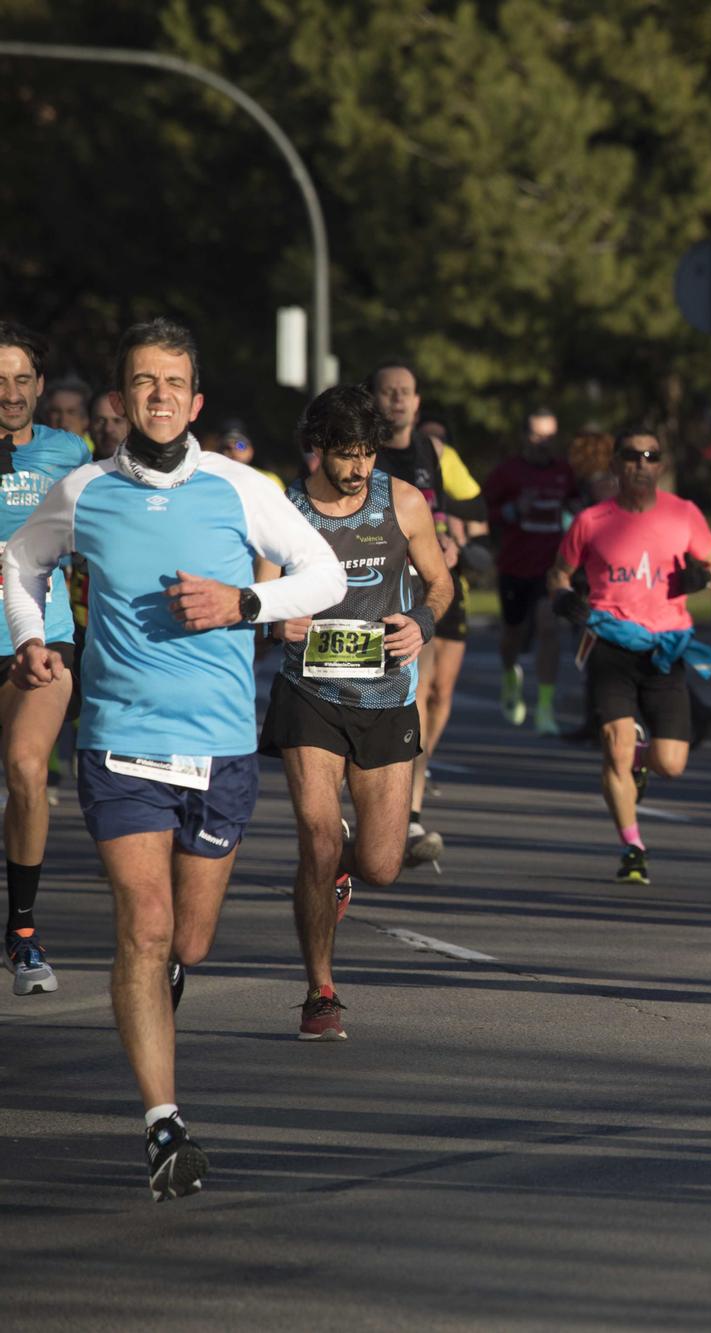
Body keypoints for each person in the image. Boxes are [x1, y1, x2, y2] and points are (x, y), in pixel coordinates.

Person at [4, 317, 344, 1200]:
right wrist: (34, 636)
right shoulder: (82, 490)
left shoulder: (243, 488)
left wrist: (247, 600)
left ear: (195, 400)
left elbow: (326, 574)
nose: (158, 397)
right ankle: (164, 1123)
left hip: (222, 745)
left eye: (174, 384)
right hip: (118, 741)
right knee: (144, 926)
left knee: (187, 938)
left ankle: (159, 985)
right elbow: (21, 560)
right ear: (123, 399)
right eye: (142, 383)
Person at [261, 385, 452, 1040]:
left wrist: (422, 622)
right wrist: (276, 620)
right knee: (315, 835)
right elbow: (260, 593)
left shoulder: (402, 500)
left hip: (386, 694)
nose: (357, 469)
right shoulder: (284, 510)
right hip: (309, 691)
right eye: (345, 455)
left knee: (382, 865)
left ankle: (343, 867)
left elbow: (442, 581)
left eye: (367, 454)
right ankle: (321, 991)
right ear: (318, 448)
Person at [549, 429, 711, 886]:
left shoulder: (683, 513)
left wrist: (702, 580)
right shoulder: (592, 520)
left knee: (671, 763)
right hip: (609, 644)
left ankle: (639, 762)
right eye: (631, 456)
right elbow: (560, 572)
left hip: (666, 649)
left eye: (651, 456)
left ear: (661, 466)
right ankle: (633, 847)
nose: (641, 463)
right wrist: (564, 598)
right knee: (615, 746)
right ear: (616, 465)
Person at [0, 323, 93, 997]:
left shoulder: (69, 452)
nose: (11, 393)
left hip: (41, 639)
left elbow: (94, 533)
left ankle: (24, 933)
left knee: (29, 767)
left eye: (23, 379)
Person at [370, 363, 486, 864]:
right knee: (383, 695)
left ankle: (411, 812)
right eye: (388, 392)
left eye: (406, 392)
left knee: (425, 694)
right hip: (377, 588)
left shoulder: (434, 452)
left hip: (431, 588)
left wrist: (452, 539)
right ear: (373, 399)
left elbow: (478, 510)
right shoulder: (361, 454)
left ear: (418, 402)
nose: (398, 400)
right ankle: (376, 804)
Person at [488, 407, 575, 735]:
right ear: (525, 437)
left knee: (548, 628)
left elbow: (578, 503)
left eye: (550, 436)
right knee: (513, 632)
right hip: (514, 565)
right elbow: (483, 510)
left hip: (550, 567)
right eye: (538, 436)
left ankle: (545, 707)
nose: (544, 443)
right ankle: (510, 674)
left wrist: (574, 513)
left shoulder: (565, 472)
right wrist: (510, 510)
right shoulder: (508, 472)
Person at [206, 420, 286, 487]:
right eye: (227, 447)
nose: (234, 451)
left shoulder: (269, 480)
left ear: (250, 450)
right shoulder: (211, 480)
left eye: (240, 445)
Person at [88, 389, 128, 459]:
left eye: (117, 421)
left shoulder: (150, 469)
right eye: (100, 421)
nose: (108, 429)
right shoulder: (77, 469)